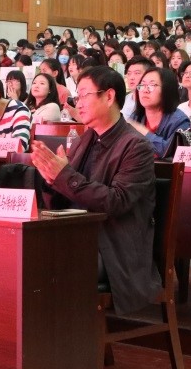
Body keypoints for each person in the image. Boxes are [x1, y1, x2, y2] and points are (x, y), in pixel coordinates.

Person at [31, 66, 160, 316]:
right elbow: (67, 195)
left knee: (43, 261)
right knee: (24, 251)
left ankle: (63, 335)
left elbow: (116, 201)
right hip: (79, 236)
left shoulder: (136, 146)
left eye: (84, 95)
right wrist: (52, 179)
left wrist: (64, 176)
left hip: (113, 249)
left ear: (109, 96)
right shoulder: (86, 138)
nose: (78, 103)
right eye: (76, 96)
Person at [126, 66, 191, 158]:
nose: (145, 90)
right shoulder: (136, 117)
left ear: (167, 90)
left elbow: (174, 153)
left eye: (152, 85)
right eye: (142, 85)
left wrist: (144, 132)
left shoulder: (179, 121)